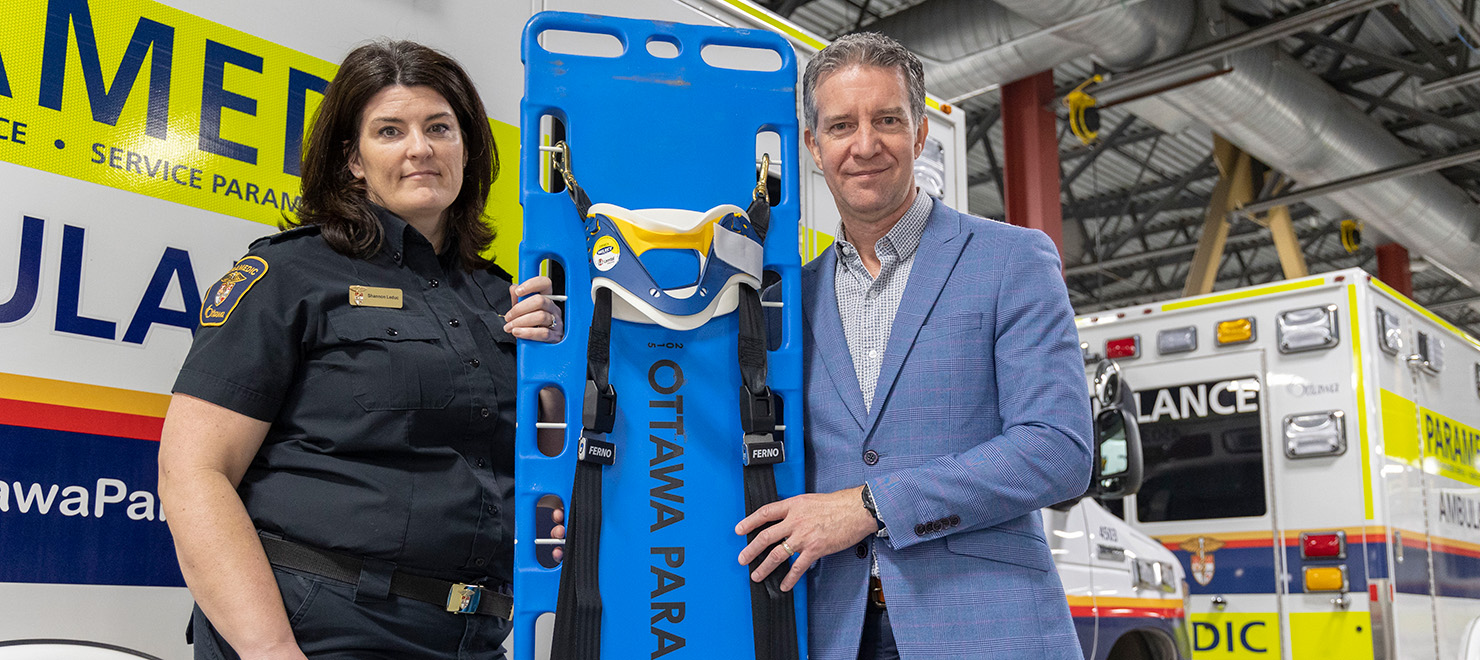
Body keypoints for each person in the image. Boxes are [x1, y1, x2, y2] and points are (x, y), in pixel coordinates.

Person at [158, 40, 561, 659]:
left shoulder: (504, 297)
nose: (419, 148)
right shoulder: (290, 275)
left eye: (439, 128)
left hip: (474, 634)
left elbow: (550, 469)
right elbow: (193, 472)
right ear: (352, 160)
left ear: (467, 148)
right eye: (390, 131)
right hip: (321, 629)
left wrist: (560, 361)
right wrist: (271, 651)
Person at [735, 33, 1092, 659]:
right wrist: (554, 327)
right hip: (835, 634)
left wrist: (872, 505)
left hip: (984, 631)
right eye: (842, 125)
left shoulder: (1012, 260)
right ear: (814, 148)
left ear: (920, 132)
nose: (865, 145)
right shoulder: (789, 300)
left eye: (888, 120)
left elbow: (1058, 449)